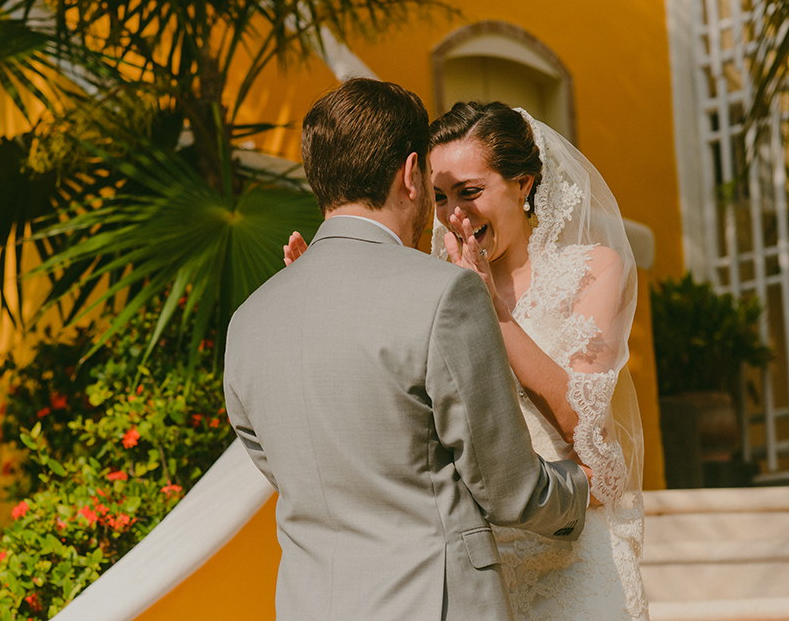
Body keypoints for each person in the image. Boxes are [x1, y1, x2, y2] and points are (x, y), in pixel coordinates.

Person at [225, 78, 591, 621]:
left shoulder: (247, 321)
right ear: (410, 173)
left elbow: (282, 466)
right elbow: (510, 491)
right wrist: (580, 485)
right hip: (431, 603)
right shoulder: (445, 294)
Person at [285, 100, 648, 620]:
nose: (455, 215)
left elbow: (585, 423)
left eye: (471, 192)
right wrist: (329, 305)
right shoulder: (425, 280)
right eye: (439, 197)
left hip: (572, 547)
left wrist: (493, 314)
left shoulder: (591, 270)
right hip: (472, 570)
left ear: (524, 184)